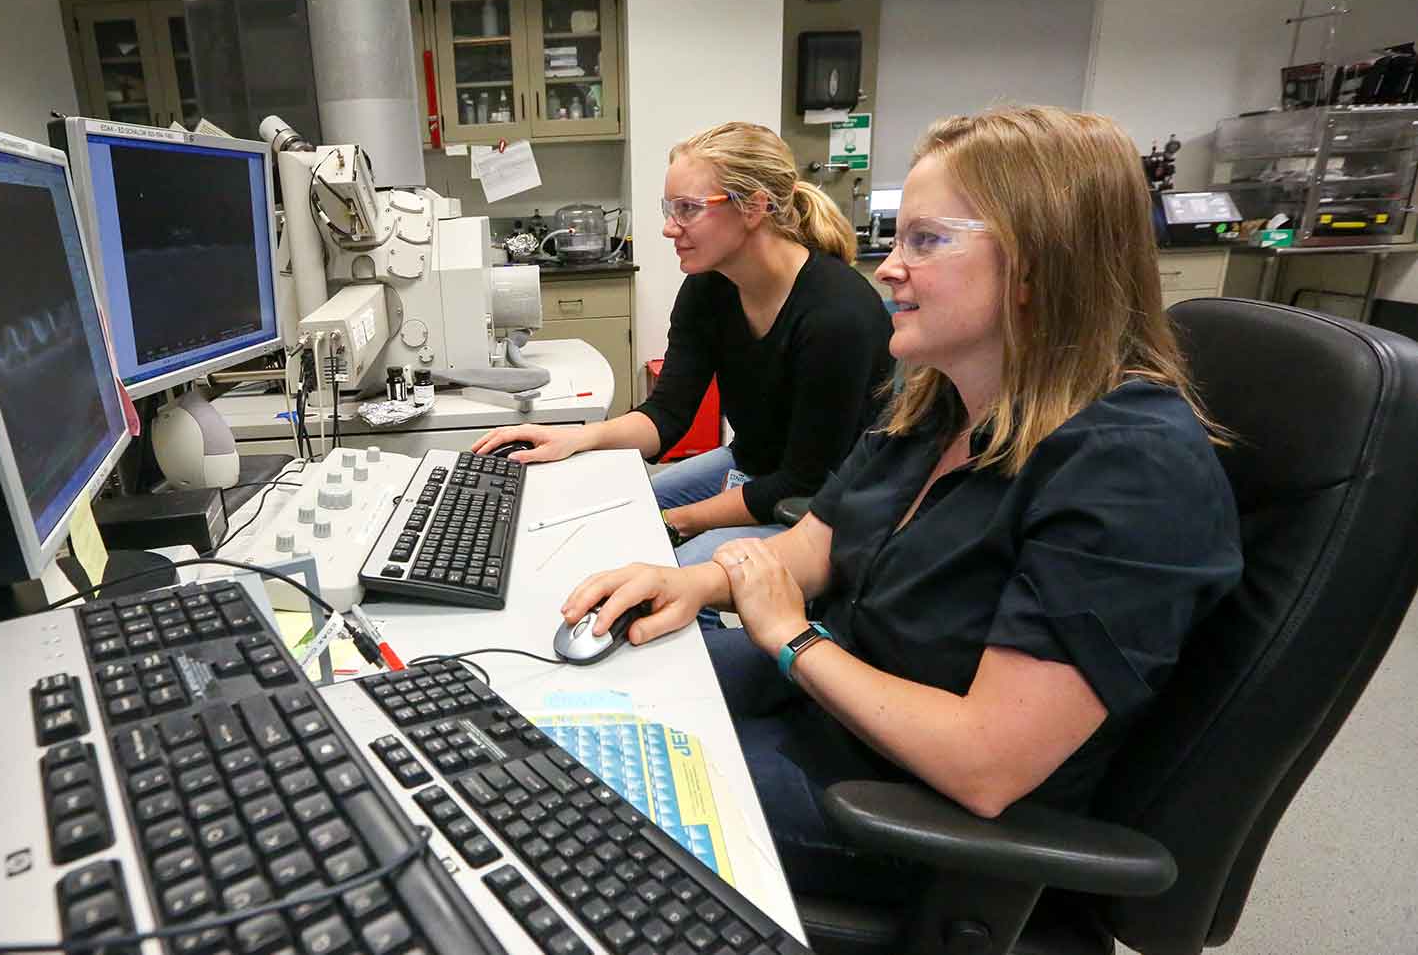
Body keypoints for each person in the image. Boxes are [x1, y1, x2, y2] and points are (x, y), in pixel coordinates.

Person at [557, 106, 1244, 899]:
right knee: (571, 702)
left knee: (564, 787)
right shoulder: (943, 400)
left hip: (909, 813)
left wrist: (790, 640)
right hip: (832, 703)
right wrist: (690, 583)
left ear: (1037, 266)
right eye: (898, 237)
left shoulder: (1132, 471)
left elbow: (987, 764)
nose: (886, 267)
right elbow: (815, 541)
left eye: (927, 241)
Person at [472, 122, 893, 567]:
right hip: (754, 468)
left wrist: (676, 522)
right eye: (669, 209)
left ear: (754, 206)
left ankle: (727, 637)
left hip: (822, 507)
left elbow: (801, 481)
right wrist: (574, 439)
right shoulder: (709, 288)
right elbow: (666, 416)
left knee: (672, 566)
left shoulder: (836, 316)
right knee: (618, 510)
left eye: (689, 209)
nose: (670, 229)